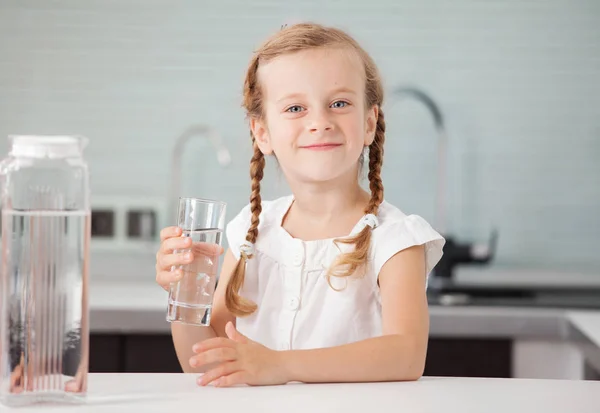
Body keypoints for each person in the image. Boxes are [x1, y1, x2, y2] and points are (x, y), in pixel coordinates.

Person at [155, 22, 445, 388]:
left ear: (369, 123)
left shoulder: (396, 239)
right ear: (262, 133)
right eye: (295, 108)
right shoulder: (250, 233)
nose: (320, 122)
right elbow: (205, 364)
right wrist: (185, 295)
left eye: (339, 103)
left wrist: (279, 365)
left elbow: (405, 356)